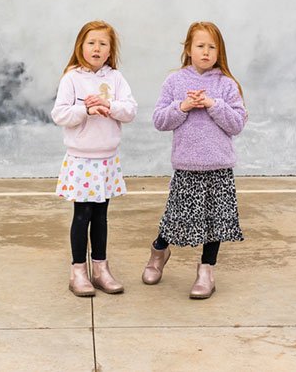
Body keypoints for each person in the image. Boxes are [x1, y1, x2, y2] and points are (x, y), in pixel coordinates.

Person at [144, 21, 248, 299]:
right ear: (188, 49)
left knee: (215, 221)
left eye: (212, 47)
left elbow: (237, 123)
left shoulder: (226, 85)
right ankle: (159, 250)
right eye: (200, 46)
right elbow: (159, 120)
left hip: (219, 166)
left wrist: (214, 105)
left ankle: (206, 270)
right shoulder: (175, 82)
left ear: (219, 52)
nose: (206, 52)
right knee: (176, 218)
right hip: (187, 165)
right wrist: (183, 106)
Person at [51, 20, 136, 297]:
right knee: (82, 214)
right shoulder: (72, 78)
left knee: (101, 216)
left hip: (106, 159)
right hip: (81, 160)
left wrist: (109, 105)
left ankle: (100, 269)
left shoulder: (115, 79)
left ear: (110, 51)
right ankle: (78, 271)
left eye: (103, 44)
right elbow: (60, 115)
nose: (96, 48)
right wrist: (85, 111)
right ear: (81, 47)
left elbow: (130, 110)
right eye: (91, 43)